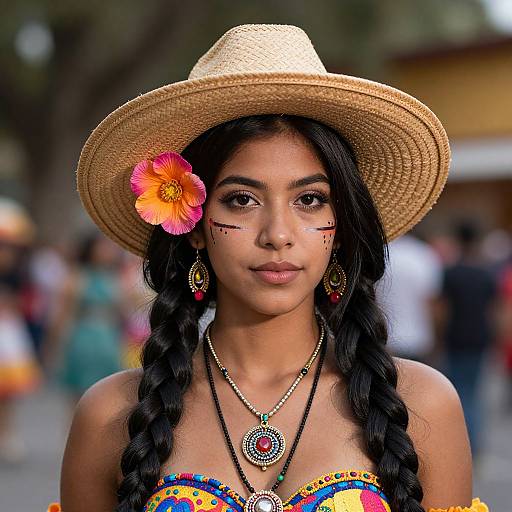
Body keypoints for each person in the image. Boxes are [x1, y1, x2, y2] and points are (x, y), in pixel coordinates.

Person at [48, 24, 488, 512]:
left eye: (309, 199)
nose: (278, 233)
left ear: (339, 225)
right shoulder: (112, 414)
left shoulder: (423, 405)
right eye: (241, 200)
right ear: (193, 224)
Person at [439, 220, 498, 458]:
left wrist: (437, 337)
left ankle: (464, 446)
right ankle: (475, 445)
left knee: (458, 393)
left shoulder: (451, 273)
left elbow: (442, 310)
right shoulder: (486, 273)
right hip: (479, 337)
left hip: (456, 337)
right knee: (474, 393)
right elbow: (495, 309)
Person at [375, 233, 443, 364]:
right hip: (418, 340)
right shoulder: (424, 254)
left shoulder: (379, 253)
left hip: (384, 340)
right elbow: (432, 303)